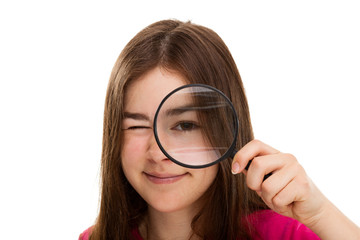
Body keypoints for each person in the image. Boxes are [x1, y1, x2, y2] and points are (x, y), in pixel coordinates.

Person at [79, 19, 360, 240]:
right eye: (137, 126)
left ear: (224, 132)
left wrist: (321, 214)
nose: (157, 153)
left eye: (185, 125)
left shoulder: (283, 235)